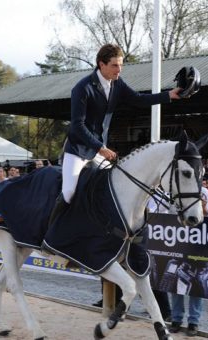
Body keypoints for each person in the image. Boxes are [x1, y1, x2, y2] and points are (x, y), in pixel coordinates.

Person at [52, 43, 182, 222]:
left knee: (111, 187)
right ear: (101, 64)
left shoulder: (117, 83)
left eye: (121, 65)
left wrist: (168, 95)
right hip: (78, 150)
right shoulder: (82, 88)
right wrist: (101, 148)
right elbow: (77, 126)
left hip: (99, 150)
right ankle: (52, 232)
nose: (119, 69)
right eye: (115, 65)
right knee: (68, 192)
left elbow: (138, 99)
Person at [170, 188, 208, 337]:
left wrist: (205, 208)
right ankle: (176, 319)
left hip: (198, 244)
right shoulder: (177, 189)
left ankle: (193, 321)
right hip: (178, 241)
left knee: (197, 285)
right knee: (176, 283)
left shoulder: (205, 192)